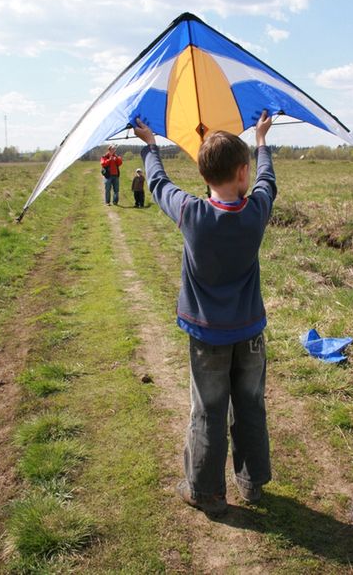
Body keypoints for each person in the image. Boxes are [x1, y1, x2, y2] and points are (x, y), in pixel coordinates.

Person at [134, 111, 276, 516]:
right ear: (243, 173)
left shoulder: (190, 213)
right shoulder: (256, 212)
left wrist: (150, 145)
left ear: (203, 175)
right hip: (250, 333)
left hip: (206, 337)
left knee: (208, 411)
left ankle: (205, 492)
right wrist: (262, 140)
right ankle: (251, 484)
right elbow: (269, 182)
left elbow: (159, 184)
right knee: (250, 405)